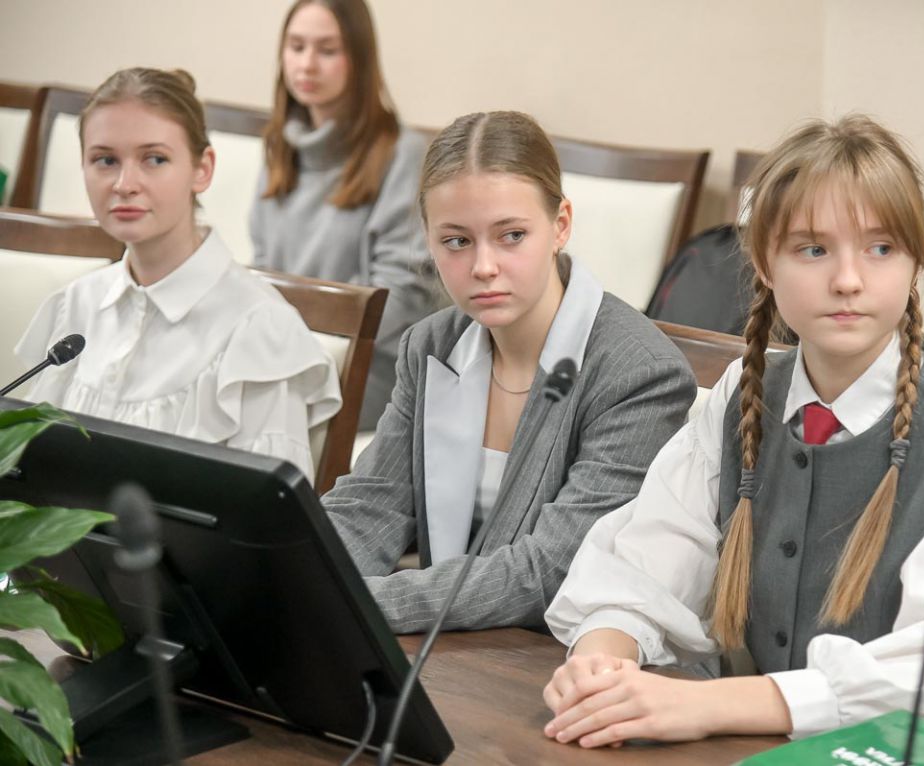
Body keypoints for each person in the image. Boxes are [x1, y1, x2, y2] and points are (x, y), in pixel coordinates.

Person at [543, 115, 924, 752]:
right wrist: (601, 661)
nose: (848, 280)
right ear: (764, 263)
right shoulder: (740, 395)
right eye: (813, 249)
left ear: (918, 259)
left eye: (881, 248)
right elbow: (649, 560)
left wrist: (707, 705)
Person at [322, 111, 697, 634]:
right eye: (456, 241)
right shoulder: (431, 345)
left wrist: (357, 605)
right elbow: (370, 506)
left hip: (557, 655)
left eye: (511, 235)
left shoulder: (638, 373)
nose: (483, 267)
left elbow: (548, 571)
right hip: (445, 645)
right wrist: (293, 577)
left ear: (560, 225)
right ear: (428, 239)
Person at [16, 68, 341, 483]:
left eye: (154, 159)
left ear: (202, 169)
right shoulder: (75, 304)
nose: (125, 184)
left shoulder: (260, 331)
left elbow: (266, 516)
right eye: (105, 160)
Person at [250, 0, 438, 430]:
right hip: (284, 354)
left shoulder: (402, 154)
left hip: (368, 366)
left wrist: (299, 351)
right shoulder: (278, 148)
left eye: (327, 50)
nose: (307, 64)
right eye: (296, 46)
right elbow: (261, 274)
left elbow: (400, 295)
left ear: (359, 58)